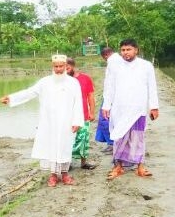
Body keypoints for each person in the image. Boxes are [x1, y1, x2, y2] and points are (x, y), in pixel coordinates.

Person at [0, 54, 83, 187]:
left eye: (61, 66)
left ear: (66, 67)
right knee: (51, 147)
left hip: (67, 121)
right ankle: (53, 176)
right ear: (52, 67)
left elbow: (78, 102)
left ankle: (65, 174)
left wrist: (77, 121)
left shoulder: (73, 83)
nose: (59, 69)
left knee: (65, 147)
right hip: (49, 122)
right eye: (56, 67)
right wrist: (11, 98)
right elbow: (29, 92)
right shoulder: (45, 82)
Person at [102, 39, 159, 180]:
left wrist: (154, 107)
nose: (125, 52)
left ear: (136, 50)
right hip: (119, 108)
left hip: (138, 108)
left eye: (128, 49)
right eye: (123, 50)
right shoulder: (114, 65)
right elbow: (109, 86)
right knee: (119, 137)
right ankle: (118, 166)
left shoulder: (146, 66)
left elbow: (152, 87)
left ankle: (140, 166)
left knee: (138, 138)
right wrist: (106, 105)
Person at [66, 57, 97, 170]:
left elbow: (91, 97)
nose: (65, 70)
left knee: (83, 139)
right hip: (66, 116)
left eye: (67, 68)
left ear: (73, 66)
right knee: (68, 139)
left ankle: (83, 163)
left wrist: (92, 112)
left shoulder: (85, 79)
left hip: (83, 115)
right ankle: (67, 163)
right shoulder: (61, 80)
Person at [95, 47, 122, 153]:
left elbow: (110, 83)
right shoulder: (119, 59)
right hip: (116, 96)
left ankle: (112, 143)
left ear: (105, 56)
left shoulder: (112, 61)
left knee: (105, 119)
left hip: (111, 97)